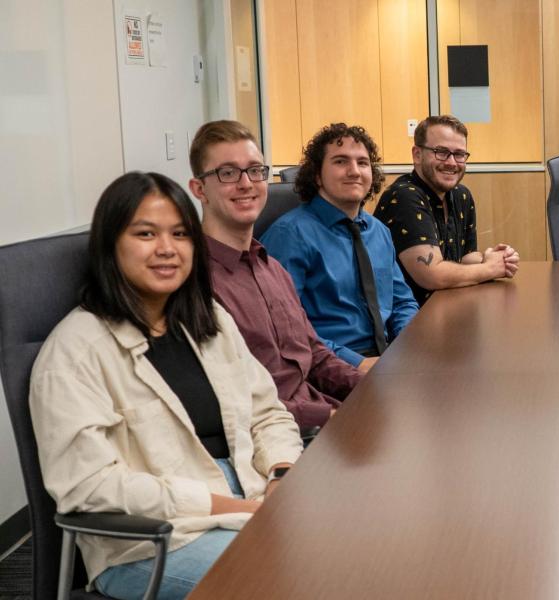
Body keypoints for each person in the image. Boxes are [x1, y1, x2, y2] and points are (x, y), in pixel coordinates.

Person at [30, 172, 303, 599]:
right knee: (298, 578)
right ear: (110, 245)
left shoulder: (208, 321)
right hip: (153, 542)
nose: (166, 249)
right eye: (145, 233)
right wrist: (235, 509)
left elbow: (268, 413)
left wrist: (279, 477)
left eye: (180, 233)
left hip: (252, 498)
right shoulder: (74, 351)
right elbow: (89, 487)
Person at [188, 120, 363, 431]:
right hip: (272, 436)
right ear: (200, 189)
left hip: (319, 416)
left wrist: (368, 388)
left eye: (255, 170)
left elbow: (315, 354)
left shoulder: (272, 267)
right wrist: (327, 418)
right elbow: (231, 399)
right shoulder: (195, 282)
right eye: (228, 173)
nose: (246, 183)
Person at [261, 123, 419, 368]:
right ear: (316, 175)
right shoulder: (290, 235)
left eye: (363, 163)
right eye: (340, 162)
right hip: (330, 366)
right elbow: (286, 327)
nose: (354, 171)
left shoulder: (379, 231)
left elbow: (402, 302)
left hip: (389, 359)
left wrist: (408, 345)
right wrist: (357, 363)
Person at [374, 115, 519, 305]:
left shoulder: (461, 195)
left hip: (448, 309)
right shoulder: (404, 196)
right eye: (441, 152)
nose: (451, 162)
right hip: (408, 322)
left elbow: (464, 257)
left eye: (459, 154)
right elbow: (432, 275)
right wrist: (491, 268)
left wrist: (492, 257)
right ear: (417, 155)